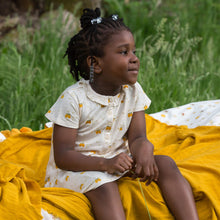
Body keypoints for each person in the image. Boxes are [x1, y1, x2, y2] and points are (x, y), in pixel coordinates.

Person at [45, 8, 199, 220]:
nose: (134, 58)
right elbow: (62, 156)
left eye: (134, 52)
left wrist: (144, 148)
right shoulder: (74, 99)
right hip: (77, 170)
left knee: (165, 163)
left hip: (117, 162)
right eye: (124, 52)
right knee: (105, 187)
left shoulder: (133, 91)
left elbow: (137, 136)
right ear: (95, 63)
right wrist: (104, 164)